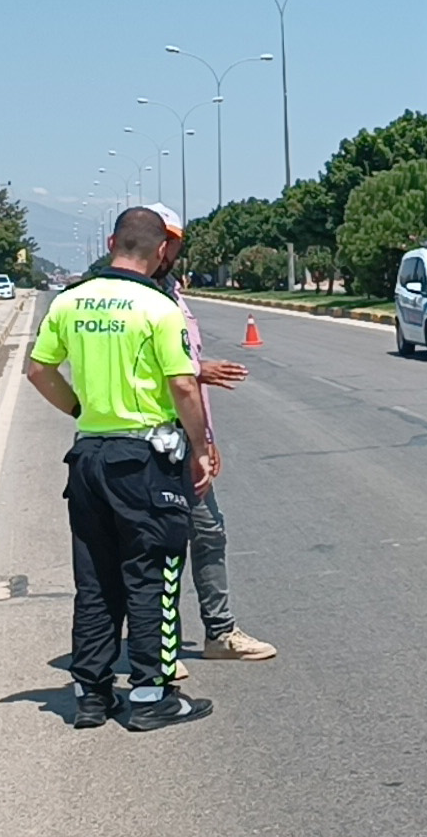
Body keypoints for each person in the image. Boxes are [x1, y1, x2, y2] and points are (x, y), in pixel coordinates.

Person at [25, 207, 218, 731]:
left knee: (95, 581)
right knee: (152, 577)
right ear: (160, 251)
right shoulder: (158, 307)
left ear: (112, 242)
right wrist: (200, 448)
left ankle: (92, 694)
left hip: (88, 458)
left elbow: (38, 369)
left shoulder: (71, 301)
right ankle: (152, 695)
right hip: (146, 463)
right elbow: (182, 385)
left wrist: (78, 411)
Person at [143, 203, 277, 667]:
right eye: (164, 239)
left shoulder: (173, 294)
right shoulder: (137, 297)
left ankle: (219, 633)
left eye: (175, 240)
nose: (169, 248)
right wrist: (200, 372)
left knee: (207, 534)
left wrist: (206, 440)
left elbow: (182, 370)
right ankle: (158, 649)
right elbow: (161, 370)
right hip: (152, 438)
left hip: (185, 433)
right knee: (159, 543)